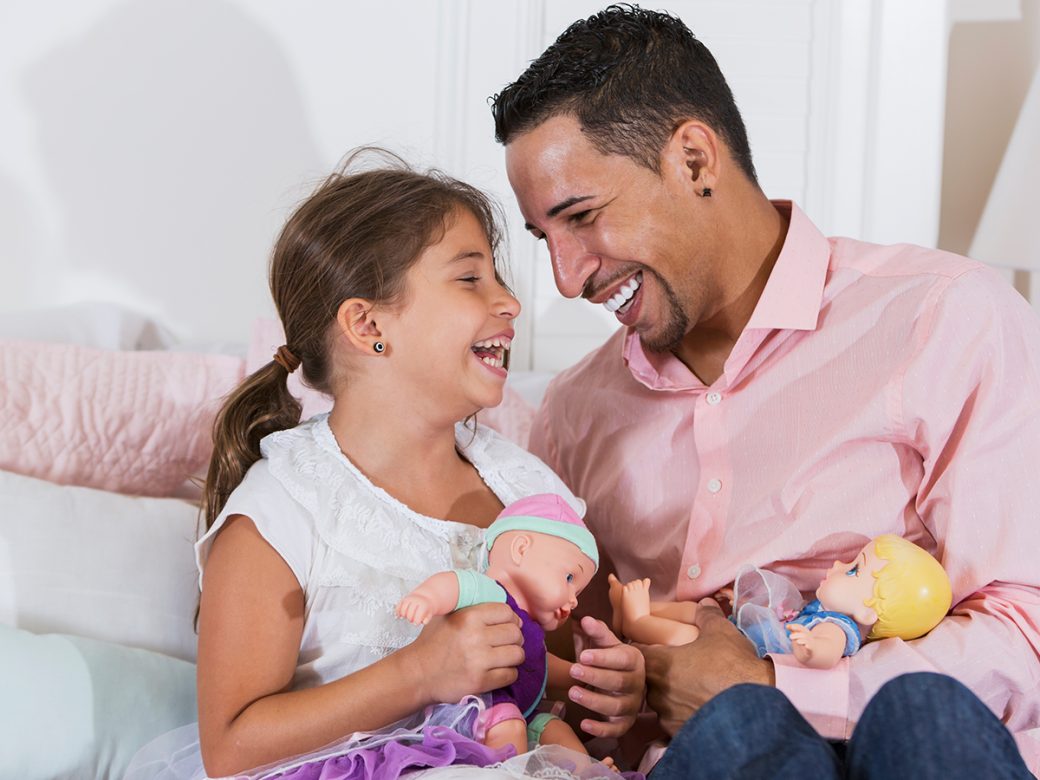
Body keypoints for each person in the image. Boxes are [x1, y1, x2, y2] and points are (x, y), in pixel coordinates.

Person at [490, 4, 1040, 776]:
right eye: (545, 238)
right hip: (714, 762)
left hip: (922, 747)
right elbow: (572, 689)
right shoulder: (576, 415)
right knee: (742, 734)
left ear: (692, 159)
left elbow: (1025, 632)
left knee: (920, 712)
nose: (567, 277)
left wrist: (779, 684)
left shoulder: (945, 316)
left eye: (581, 217)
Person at [124, 150, 644, 780]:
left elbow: (552, 673)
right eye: (470, 278)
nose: (510, 303)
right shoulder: (284, 508)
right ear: (368, 323)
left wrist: (607, 689)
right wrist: (416, 674)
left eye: (498, 278)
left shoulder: (526, 488)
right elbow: (231, 747)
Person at [397, 493, 602, 759]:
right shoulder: (492, 593)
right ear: (520, 549)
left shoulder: (531, 629)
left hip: (523, 712)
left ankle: (589, 772)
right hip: (479, 709)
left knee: (556, 729)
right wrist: (427, 598)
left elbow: (539, 665)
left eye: (578, 591)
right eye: (569, 577)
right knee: (510, 725)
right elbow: (456, 584)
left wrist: (579, 674)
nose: (573, 600)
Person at [610, 534, 953, 670]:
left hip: (743, 652)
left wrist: (810, 648)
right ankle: (637, 607)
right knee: (700, 610)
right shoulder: (822, 610)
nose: (837, 566)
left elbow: (828, 652)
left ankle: (637, 622)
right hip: (743, 633)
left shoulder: (838, 627)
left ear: (868, 611)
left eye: (852, 572)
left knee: (689, 638)